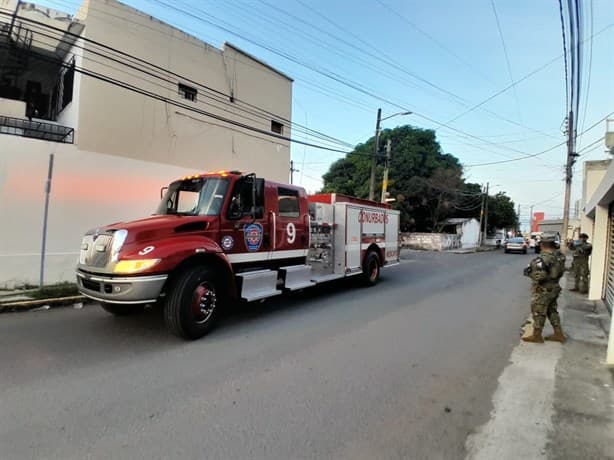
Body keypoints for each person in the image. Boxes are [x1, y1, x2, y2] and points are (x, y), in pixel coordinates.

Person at [522, 234, 567, 343]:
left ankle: (537, 336)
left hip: (544, 289)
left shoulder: (543, 259)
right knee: (552, 310)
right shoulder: (560, 255)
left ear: (542, 244)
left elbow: (538, 277)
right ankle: (559, 334)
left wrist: (529, 273)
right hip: (555, 286)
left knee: (538, 311)